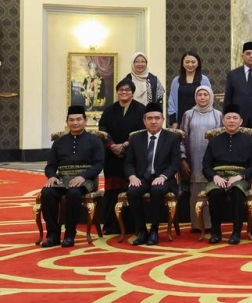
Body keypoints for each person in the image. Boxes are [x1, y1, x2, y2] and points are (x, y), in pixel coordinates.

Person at [39, 105, 105, 248]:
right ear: (67, 121)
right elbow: (50, 165)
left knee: (73, 193)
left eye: (78, 119)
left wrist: (83, 176)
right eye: (72, 120)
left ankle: (69, 235)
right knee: (47, 192)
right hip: (62, 179)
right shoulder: (59, 142)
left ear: (85, 120)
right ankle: (53, 235)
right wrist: (51, 176)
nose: (75, 123)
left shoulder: (94, 140)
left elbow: (98, 164)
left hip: (86, 180)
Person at [124, 103, 181, 246]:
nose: (153, 121)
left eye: (157, 118)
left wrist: (163, 177)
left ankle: (154, 230)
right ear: (144, 121)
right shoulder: (136, 139)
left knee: (157, 189)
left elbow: (175, 163)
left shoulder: (172, 138)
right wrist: (132, 176)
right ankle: (142, 230)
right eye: (150, 118)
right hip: (142, 178)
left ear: (162, 120)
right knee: (132, 191)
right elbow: (128, 162)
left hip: (164, 178)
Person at [202, 105, 252, 244]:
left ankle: (236, 232)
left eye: (235, 118)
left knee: (237, 192)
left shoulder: (250, 141)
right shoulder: (214, 141)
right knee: (215, 193)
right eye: (228, 118)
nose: (231, 121)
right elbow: (206, 166)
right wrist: (215, 177)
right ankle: (216, 232)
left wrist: (240, 176)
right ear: (223, 121)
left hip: (240, 176)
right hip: (218, 176)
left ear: (241, 121)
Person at [98, 78, 146, 235]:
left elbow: (142, 131)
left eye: (127, 90)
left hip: (132, 155)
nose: (124, 93)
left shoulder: (141, 109)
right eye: (121, 90)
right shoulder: (109, 109)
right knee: (112, 191)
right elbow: (102, 129)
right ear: (117, 92)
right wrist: (112, 145)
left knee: (130, 189)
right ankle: (111, 225)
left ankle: (131, 225)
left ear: (132, 92)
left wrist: (124, 145)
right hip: (111, 156)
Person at [179, 85, 222, 233]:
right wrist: (183, 159)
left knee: (211, 191)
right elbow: (182, 137)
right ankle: (197, 225)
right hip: (194, 158)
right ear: (195, 97)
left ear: (210, 97)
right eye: (199, 95)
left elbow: (221, 136)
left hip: (213, 160)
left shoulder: (218, 115)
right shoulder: (188, 114)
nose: (202, 97)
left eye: (205, 95)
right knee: (196, 192)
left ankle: (210, 224)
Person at [223, 41, 252, 131]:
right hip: (238, 121)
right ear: (242, 56)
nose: (251, 56)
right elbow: (228, 99)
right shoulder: (233, 75)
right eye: (248, 53)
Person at [167, 51, 211, 128]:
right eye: (187, 62)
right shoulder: (176, 81)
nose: (190, 65)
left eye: (193, 62)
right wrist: (173, 121)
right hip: (180, 120)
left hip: (200, 120)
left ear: (198, 64)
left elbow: (209, 100)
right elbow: (172, 102)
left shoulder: (204, 80)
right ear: (183, 64)